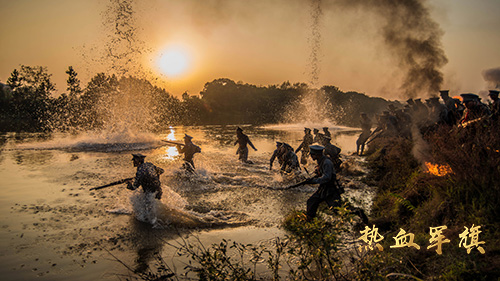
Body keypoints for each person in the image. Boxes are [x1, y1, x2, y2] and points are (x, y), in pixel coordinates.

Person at [305, 145, 341, 220]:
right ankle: (310, 220)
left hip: (330, 189)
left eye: (312, 155)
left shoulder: (326, 162)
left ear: (317, 154)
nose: (311, 156)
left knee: (337, 210)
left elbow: (327, 178)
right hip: (324, 188)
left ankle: (357, 213)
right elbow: (322, 174)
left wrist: (313, 181)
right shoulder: (321, 161)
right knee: (311, 202)